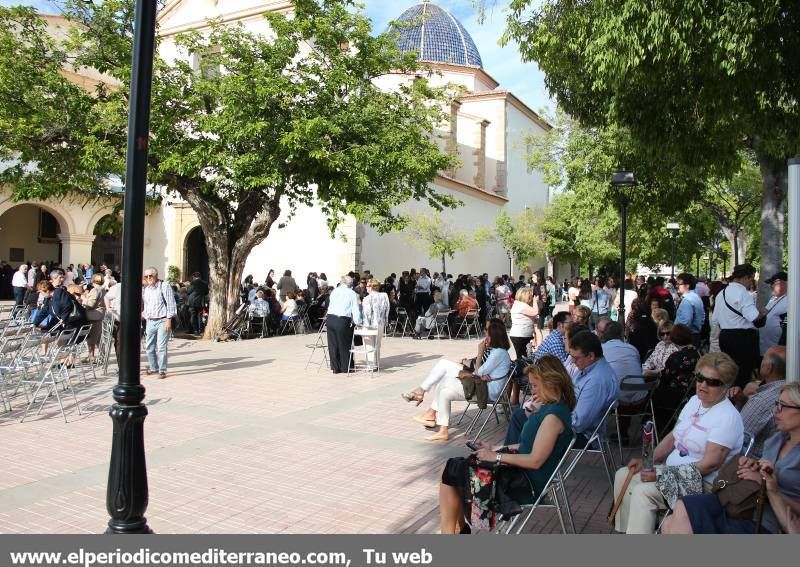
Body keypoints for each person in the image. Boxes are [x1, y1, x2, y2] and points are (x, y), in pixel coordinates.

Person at [437, 355, 576, 533]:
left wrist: (496, 456)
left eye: (535, 385)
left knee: (450, 471)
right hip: (521, 474)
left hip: (525, 483)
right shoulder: (552, 409)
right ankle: (458, 530)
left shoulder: (553, 417)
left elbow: (535, 460)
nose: (532, 391)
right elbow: (529, 446)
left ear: (550, 383)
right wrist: (494, 449)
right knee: (451, 470)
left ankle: (454, 533)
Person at [613, 352, 744, 534]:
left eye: (712, 382)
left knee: (643, 492)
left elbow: (709, 464)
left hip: (701, 483)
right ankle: (625, 531)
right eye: (700, 378)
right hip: (672, 471)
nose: (703, 385)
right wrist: (648, 461)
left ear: (725, 387)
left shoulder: (728, 417)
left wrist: (661, 475)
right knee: (624, 474)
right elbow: (673, 438)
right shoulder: (694, 401)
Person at [663, 382, 800, 535]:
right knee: (681, 508)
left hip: (763, 521)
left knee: (674, 524)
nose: (775, 411)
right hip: (740, 504)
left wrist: (770, 489)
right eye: (776, 404)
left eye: (783, 406)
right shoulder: (777, 439)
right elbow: (764, 472)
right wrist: (751, 464)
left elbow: (769, 484)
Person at [402, 319, 512, 442]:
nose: (484, 333)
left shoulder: (499, 353)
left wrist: (480, 352)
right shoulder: (497, 351)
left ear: (493, 335)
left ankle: (426, 404)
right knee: (445, 391)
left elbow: (478, 372)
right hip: (481, 385)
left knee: (446, 378)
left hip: (486, 391)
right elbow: (480, 373)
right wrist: (480, 371)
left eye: (486, 331)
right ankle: (442, 430)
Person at [505, 330, 617, 448]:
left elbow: (578, 424)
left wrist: (543, 415)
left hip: (580, 436)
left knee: (521, 419)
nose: (573, 361)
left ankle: (512, 461)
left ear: (591, 356)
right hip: (567, 424)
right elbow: (569, 396)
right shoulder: (589, 369)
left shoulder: (597, 381)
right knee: (523, 416)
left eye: (576, 358)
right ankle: (514, 458)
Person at [712, 264, 764, 389]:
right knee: (743, 374)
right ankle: (741, 401)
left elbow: (715, 319)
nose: (751, 282)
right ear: (746, 277)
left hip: (725, 336)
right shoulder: (743, 293)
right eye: (751, 279)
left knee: (729, 372)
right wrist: (763, 313)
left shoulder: (721, 293)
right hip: (742, 338)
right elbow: (753, 317)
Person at [739, 345, 786, 456]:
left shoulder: (762, 400)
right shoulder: (790, 390)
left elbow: (736, 437)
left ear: (769, 368)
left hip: (752, 460)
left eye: (763, 359)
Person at [596, 319, 643, 404]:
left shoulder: (601, 349)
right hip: (640, 395)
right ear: (622, 334)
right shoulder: (632, 348)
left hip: (618, 398)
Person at [141, 267, 177, 379]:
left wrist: (169, 319)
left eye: (150, 276)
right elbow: (146, 305)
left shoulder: (164, 286)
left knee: (161, 347)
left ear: (156, 275)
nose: (148, 278)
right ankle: (153, 367)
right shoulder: (146, 289)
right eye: (146, 276)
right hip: (150, 320)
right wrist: (146, 317)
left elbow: (171, 303)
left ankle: (162, 370)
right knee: (149, 346)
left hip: (162, 320)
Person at [326, 276, 362, 374]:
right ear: (350, 284)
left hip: (330, 318)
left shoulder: (334, 291)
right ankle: (346, 367)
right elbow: (355, 309)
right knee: (345, 344)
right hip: (342, 320)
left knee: (333, 344)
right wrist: (358, 322)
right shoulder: (351, 293)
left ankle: (335, 367)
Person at [361, 279, 390, 369]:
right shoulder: (384, 295)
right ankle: (377, 363)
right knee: (377, 344)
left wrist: (365, 325)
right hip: (380, 323)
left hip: (370, 324)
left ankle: (371, 365)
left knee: (369, 344)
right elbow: (387, 308)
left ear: (371, 287)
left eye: (367, 286)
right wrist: (386, 320)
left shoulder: (367, 298)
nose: (366, 288)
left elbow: (367, 313)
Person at [759, 271, 788, 355]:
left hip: (778, 349)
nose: (771, 286)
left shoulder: (791, 300)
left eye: (773, 283)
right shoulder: (774, 298)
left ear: (783, 283)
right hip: (765, 347)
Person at [675, 272, 705, 347]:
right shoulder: (695, 297)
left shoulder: (687, 300)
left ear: (687, 286)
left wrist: (677, 335)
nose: (677, 286)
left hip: (686, 337)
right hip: (695, 335)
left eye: (679, 284)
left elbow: (686, 321)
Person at [509, 287, 539, 360]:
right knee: (522, 358)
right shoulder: (521, 305)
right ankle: (521, 371)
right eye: (531, 296)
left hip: (519, 335)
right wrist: (535, 302)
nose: (531, 298)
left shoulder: (518, 304)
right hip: (521, 335)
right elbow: (535, 312)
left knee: (522, 357)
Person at [81, 273, 106, 362]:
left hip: (93, 316)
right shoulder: (102, 289)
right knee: (98, 337)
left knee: (92, 338)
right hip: (98, 315)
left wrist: (83, 298)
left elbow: (91, 304)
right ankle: (102, 356)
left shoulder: (95, 290)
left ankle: (91, 357)